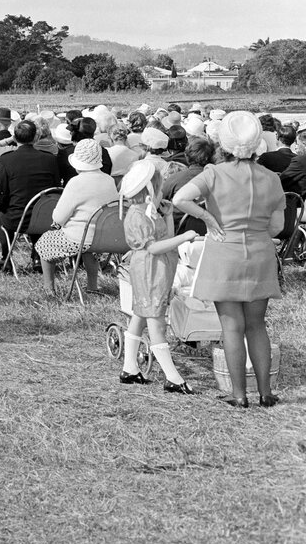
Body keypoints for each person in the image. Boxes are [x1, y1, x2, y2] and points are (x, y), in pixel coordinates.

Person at [172, 111, 286, 408]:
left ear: (223, 142)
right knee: (257, 325)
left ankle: (238, 394)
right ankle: (266, 392)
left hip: (224, 252)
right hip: (260, 253)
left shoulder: (214, 173)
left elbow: (179, 198)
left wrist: (208, 217)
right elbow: (276, 227)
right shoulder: (272, 178)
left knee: (231, 327)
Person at [117, 159, 202, 394]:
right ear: (150, 189)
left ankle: (130, 367)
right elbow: (154, 247)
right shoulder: (138, 217)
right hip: (149, 271)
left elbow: (164, 240)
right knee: (155, 320)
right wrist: (184, 238)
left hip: (158, 270)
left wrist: (168, 217)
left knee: (141, 314)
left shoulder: (148, 213)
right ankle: (172, 376)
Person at [34, 139, 118, 297]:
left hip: (79, 238)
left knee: (43, 244)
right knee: (89, 250)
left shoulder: (76, 182)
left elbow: (58, 217)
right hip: (105, 237)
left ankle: (49, 289)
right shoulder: (109, 180)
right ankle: (92, 285)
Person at [0, 120, 60, 271]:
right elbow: (54, 187)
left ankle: (6, 259)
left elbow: (2, 191)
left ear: (15, 137)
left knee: (4, 216)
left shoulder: (6, 159)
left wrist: (0, 207)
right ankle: (37, 257)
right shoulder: (50, 159)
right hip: (45, 216)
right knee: (36, 209)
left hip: (16, 218)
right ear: (35, 138)